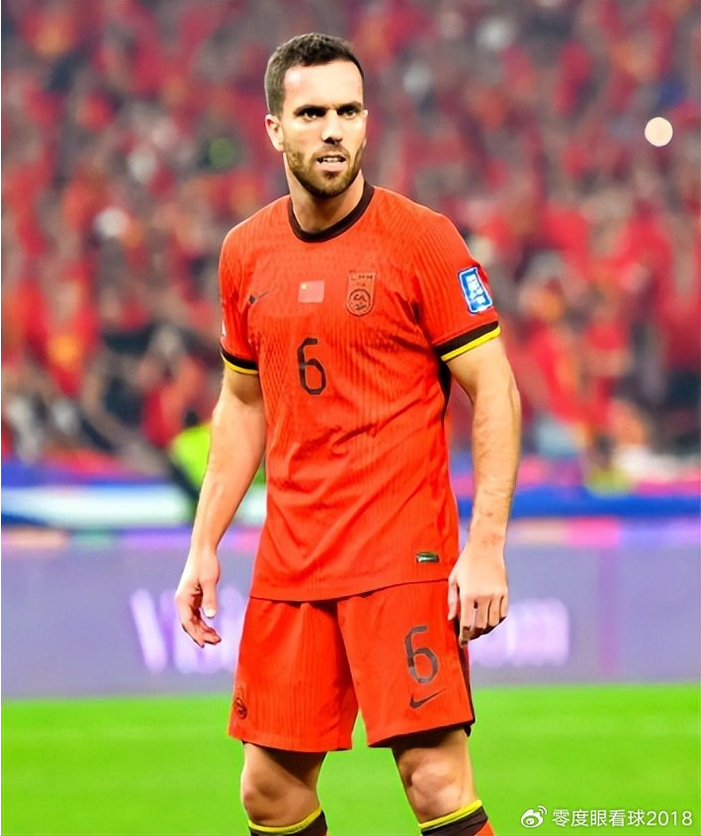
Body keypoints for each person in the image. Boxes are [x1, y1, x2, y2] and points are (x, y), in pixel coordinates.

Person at [175, 32, 521, 836]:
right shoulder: (244, 253)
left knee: (433, 779)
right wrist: (203, 544)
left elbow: (495, 391)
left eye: (348, 111)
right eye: (311, 114)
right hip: (293, 558)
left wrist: (486, 546)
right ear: (274, 128)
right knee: (269, 793)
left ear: (366, 121)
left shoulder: (421, 240)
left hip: (401, 553)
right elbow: (242, 404)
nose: (332, 130)